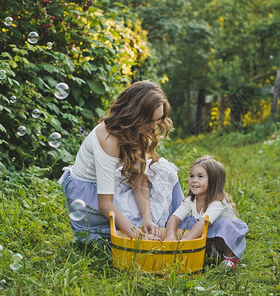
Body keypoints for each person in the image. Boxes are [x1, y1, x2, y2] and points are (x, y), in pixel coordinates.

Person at [58, 80, 182, 241]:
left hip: (108, 187)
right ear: (134, 115)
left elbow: (138, 179)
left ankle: (178, 227)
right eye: (149, 120)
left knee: (163, 171)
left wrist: (147, 218)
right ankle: (177, 229)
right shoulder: (109, 139)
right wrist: (137, 236)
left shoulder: (136, 131)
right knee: (134, 221)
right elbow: (105, 204)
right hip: (89, 198)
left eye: (157, 120)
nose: (153, 127)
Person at [165, 156, 248, 269]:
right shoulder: (191, 200)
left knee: (221, 223)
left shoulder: (218, 202)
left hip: (225, 240)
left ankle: (229, 258)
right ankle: (205, 252)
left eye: (200, 177)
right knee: (185, 221)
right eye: (191, 176)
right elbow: (175, 217)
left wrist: (185, 241)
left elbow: (204, 223)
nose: (194, 180)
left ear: (213, 181)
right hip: (209, 237)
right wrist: (170, 235)